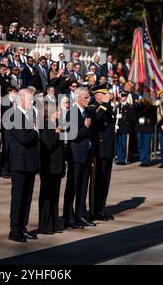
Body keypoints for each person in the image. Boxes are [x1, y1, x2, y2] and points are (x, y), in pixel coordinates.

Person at [7, 88, 40, 242]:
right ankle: (15, 230)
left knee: (27, 198)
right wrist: (36, 132)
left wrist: (33, 131)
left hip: (29, 162)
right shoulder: (14, 115)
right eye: (30, 100)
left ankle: (23, 227)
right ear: (21, 100)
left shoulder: (28, 115)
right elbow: (24, 138)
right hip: (19, 163)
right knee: (18, 198)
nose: (32, 102)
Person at [63, 86, 94, 229]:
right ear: (78, 98)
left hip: (86, 154)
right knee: (73, 187)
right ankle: (68, 216)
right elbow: (73, 134)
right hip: (75, 155)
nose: (89, 99)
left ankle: (81, 214)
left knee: (83, 187)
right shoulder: (72, 113)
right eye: (86, 97)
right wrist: (86, 128)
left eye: (89, 97)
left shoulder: (86, 112)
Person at [88, 84, 116, 222]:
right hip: (99, 149)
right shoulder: (93, 107)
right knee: (97, 182)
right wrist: (104, 105)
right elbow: (95, 120)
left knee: (105, 181)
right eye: (104, 93)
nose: (107, 95)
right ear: (97, 94)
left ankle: (101, 208)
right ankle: (94, 210)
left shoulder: (107, 107)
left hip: (108, 149)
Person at [38, 103, 65, 234]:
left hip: (58, 165)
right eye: (56, 111)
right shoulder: (45, 125)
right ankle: (45, 225)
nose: (58, 113)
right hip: (48, 166)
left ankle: (54, 223)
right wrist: (56, 134)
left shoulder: (56, 125)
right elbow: (47, 145)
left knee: (55, 197)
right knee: (47, 196)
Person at [115, 89, 136, 165]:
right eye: (121, 95)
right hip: (119, 128)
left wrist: (124, 118)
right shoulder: (118, 106)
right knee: (119, 144)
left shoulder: (130, 107)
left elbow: (133, 118)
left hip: (126, 128)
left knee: (125, 144)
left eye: (124, 96)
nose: (122, 97)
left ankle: (125, 158)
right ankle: (120, 158)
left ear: (127, 97)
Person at [135, 96, 156, 166]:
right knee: (140, 144)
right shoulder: (138, 106)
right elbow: (135, 114)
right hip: (140, 128)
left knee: (147, 145)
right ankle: (142, 159)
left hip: (147, 128)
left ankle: (146, 160)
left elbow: (154, 119)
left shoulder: (152, 107)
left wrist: (146, 121)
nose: (144, 99)